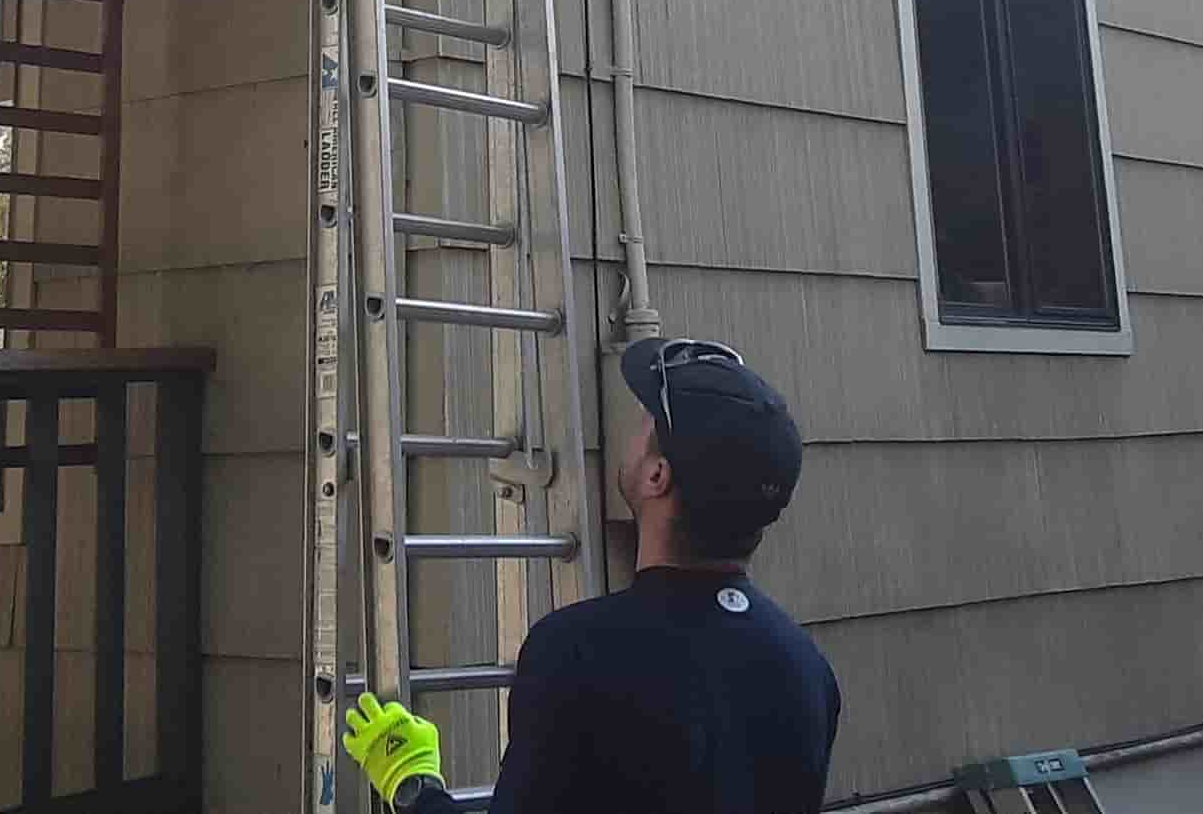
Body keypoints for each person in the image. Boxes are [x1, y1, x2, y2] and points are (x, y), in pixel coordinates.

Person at [341, 336, 841, 812]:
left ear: (656, 476)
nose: (635, 427)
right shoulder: (806, 670)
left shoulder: (577, 655)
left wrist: (412, 785)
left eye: (645, 421)